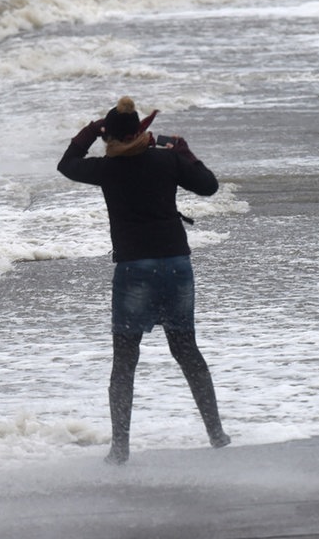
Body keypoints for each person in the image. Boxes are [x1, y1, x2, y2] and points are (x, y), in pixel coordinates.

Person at [57, 96, 231, 465]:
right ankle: (216, 435)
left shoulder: (105, 169)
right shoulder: (166, 160)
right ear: (140, 131)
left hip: (134, 271)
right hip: (175, 266)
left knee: (125, 361)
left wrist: (92, 130)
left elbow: (67, 164)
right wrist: (184, 151)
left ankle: (120, 448)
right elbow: (209, 186)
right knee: (186, 351)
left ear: (109, 139)